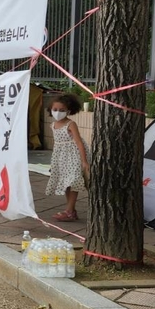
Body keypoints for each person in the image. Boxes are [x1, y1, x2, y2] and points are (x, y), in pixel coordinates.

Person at [46, 93, 89, 222]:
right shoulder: (53, 125)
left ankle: (69, 211)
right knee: (66, 183)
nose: (58, 113)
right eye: (55, 110)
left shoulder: (71, 124)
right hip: (61, 158)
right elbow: (57, 143)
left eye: (62, 110)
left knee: (73, 181)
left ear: (69, 111)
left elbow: (79, 142)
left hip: (73, 155)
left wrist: (84, 161)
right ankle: (71, 210)